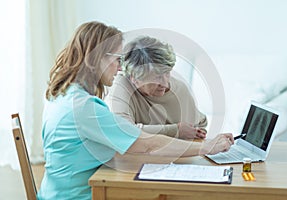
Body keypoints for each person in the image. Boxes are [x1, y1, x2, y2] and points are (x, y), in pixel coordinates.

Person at [37, 21, 234, 200]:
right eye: (117, 59)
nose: (120, 67)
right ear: (99, 59)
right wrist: (205, 148)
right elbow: (146, 144)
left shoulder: (64, 95)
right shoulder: (84, 108)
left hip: (58, 192)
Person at [107, 36, 207, 140]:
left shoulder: (180, 89)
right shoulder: (122, 85)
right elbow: (123, 130)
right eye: (157, 77)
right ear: (134, 78)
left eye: (167, 73)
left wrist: (197, 133)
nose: (164, 83)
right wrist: (175, 131)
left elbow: (200, 124)